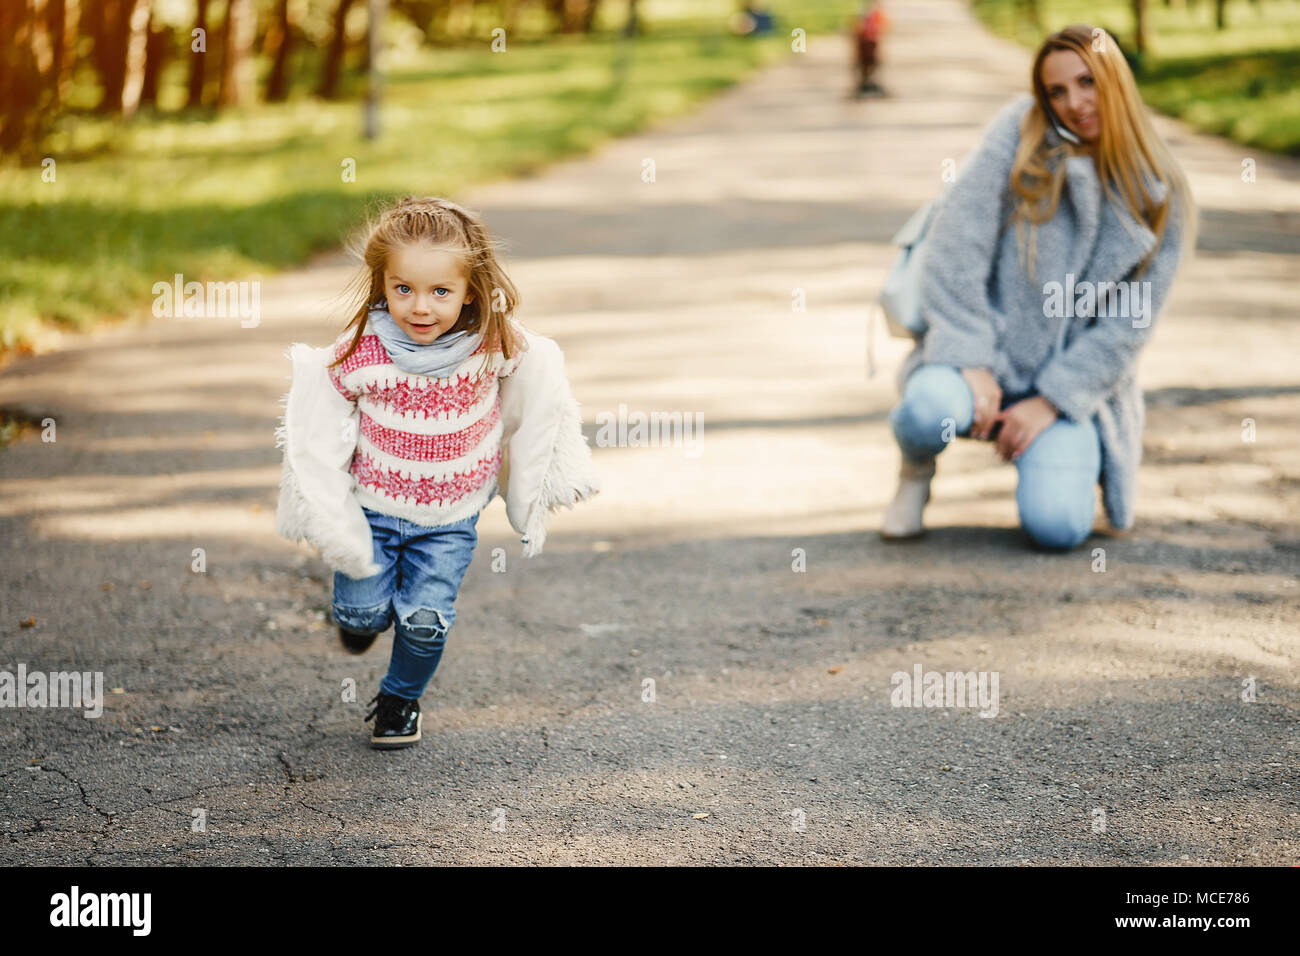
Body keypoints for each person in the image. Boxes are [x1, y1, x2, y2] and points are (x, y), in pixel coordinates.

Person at [275, 196, 598, 749]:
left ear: (471, 290)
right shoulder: (363, 350)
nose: (420, 307)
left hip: (449, 520)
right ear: (382, 285)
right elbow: (322, 411)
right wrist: (322, 494)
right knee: (362, 611)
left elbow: (536, 381)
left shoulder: (493, 343)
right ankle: (358, 622)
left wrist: (533, 474)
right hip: (372, 509)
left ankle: (400, 702)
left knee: (425, 621)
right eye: (403, 289)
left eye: (440, 292)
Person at [880, 25, 1196, 549]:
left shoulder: (1161, 193)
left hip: (1066, 387)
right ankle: (915, 473)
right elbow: (956, 243)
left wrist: (1050, 402)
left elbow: (1128, 329)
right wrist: (970, 358)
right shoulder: (1020, 134)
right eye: (1057, 91)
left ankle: (1059, 464)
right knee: (924, 411)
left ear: (1114, 80)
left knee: (1059, 527)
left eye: (1086, 82)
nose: (1075, 103)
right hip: (983, 359)